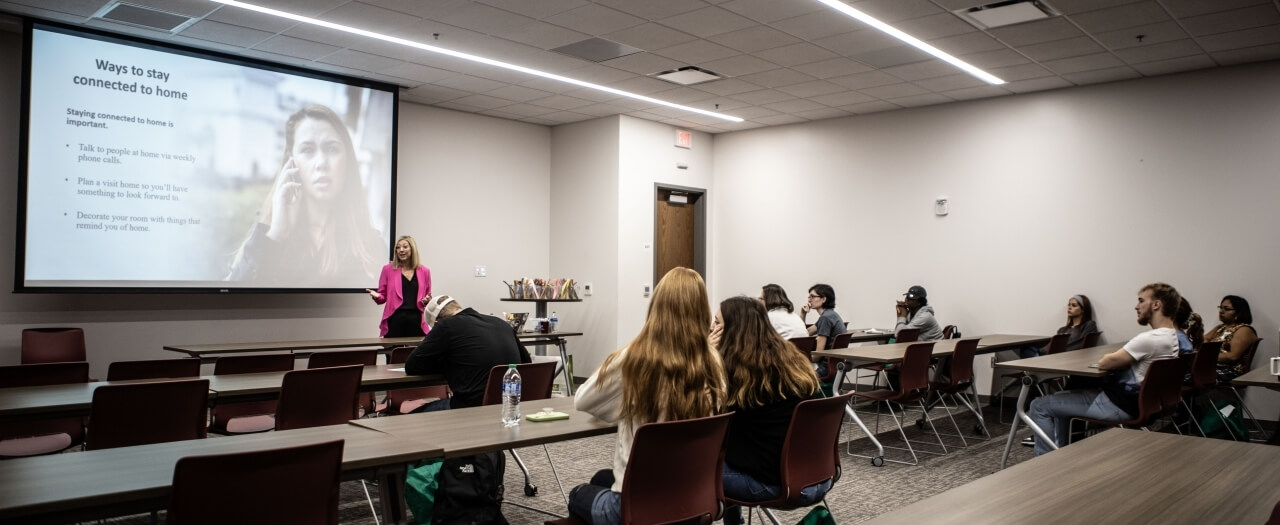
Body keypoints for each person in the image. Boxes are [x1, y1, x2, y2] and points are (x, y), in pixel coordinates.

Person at [567, 268, 726, 525]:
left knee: (578, 494)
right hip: (694, 502)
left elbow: (583, 400)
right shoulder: (713, 362)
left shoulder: (636, 358)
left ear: (656, 308)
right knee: (600, 479)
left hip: (636, 510)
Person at [228, 104, 385, 284]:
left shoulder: (371, 246)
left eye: (332, 149)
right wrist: (277, 234)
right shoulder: (269, 239)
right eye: (307, 150)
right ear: (291, 163)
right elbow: (231, 302)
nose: (321, 163)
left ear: (347, 161)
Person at [1028, 283, 1183, 456]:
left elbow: (1105, 363)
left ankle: (1045, 463)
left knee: (1038, 405)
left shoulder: (1150, 339)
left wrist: (1114, 356)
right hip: (1141, 403)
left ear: (1156, 305)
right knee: (1058, 398)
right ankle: (1062, 453)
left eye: (1141, 301)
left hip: (1117, 405)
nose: (1136, 306)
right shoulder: (1172, 337)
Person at [715, 296, 827, 525]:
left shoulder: (737, 373)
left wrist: (706, 356)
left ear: (734, 331)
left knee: (686, 474)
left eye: (717, 323)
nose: (711, 328)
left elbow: (702, 412)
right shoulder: (791, 359)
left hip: (774, 482)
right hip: (817, 474)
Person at [404, 294, 530, 410]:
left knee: (413, 418)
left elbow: (412, 366)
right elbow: (526, 361)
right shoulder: (501, 323)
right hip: (511, 404)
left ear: (436, 323)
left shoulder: (445, 325)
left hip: (471, 407)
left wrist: (445, 363)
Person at [367, 236, 432, 337]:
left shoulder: (424, 271)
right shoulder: (388, 269)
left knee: (415, 352)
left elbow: (428, 296)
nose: (401, 250)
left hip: (416, 319)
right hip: (395, 318)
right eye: (398, 247)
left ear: (412, 249)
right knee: (393, 351)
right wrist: (377, 296)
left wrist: (427, 300)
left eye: (405, 247)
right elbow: (382, 297)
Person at [1019, 295, 1100, 359]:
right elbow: (1053, 345)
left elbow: (1082, 345)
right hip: (1048, 355)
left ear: (1083, 309)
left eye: (1074, 305)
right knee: (1025, 348)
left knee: (1026, 353)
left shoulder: (1089, 324)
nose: (1069, 307)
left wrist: (1056, 351)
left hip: (1062, 358)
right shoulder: (1062, 329)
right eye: (1069, 305)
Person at [1206, 295, 1259, 382]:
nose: (1221, 311)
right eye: (1220, 308)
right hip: (1213, 366)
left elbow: (1232, 357)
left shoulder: (1244, 330)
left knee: (1183, 375)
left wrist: (1206, 356)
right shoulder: (1220, 327)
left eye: (1226, 309)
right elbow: (1203, 340)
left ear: (1238, 312)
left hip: (1231, 371)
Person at [802, 284, 844, 377]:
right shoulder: (830, 315)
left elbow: (817, 356)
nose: (809, 300)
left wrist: (802, 360)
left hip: (823, 368)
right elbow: (805, 333)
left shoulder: (826, 318)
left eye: (812, 296)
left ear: (824, 299)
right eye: (809, 296)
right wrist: (803, 313)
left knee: (790, 372)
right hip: (834, 367)